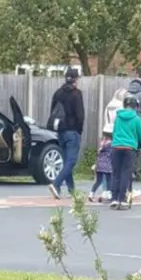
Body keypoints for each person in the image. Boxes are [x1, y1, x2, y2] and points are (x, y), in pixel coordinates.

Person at [48, 67, 85, 200]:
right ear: (75, 80)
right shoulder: (76, 94)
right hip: (72, 131)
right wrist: (79, 130)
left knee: (66, 161)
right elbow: (80, 115)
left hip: (61, 131)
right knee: (71, 161)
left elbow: (52, 112)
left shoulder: (57, 93)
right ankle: (56, 184)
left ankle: (72, 190)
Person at [109, 95, 141, 210]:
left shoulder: (118, 118)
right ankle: (123, 199)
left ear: (124, 105)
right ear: (135, 106)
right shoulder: (137, 119)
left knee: (116, 173)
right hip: (130, 149)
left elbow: (114, 132)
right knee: (125, 173)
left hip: (116, 147)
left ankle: (114, 199)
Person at [88, 128, 113, 202]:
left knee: (98, 181)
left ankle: (91, 194)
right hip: (107, 165)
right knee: (109, 180)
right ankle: (109, 195)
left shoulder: (102, 143)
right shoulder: (111, 144)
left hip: (99, 165)